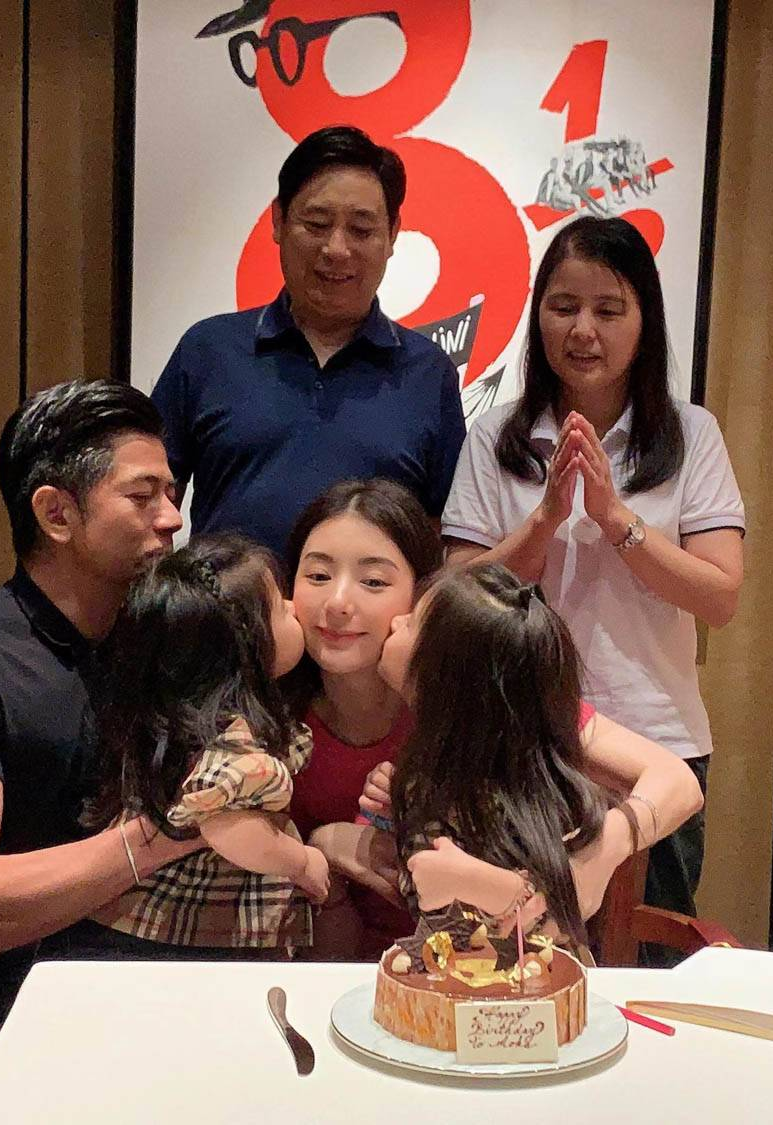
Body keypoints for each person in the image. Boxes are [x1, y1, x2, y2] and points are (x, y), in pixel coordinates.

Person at [439, 216, 744, 955]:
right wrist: (545, 520)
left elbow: (720, 596)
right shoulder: (496, 436)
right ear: (538, 314)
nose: (583, 330)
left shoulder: (691, 435)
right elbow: (455, 598)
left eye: (609, 309)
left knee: (646, 959)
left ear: (645, 322)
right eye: (563, 306)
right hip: (521, 742)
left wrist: (614, 519)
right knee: (512, 955)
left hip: (656, 747)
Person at [0, 380, 196, 1122]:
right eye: (142, 495)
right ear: (56, 513)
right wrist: (171, 831)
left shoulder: (168, 645)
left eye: (171, 493)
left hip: (153, 1015)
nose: (172, 517)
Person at [151, 125, 466, 557]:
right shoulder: (207, 350)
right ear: (278, 221)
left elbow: (444, 534)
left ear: (393, 234)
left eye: (361, 230)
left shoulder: (429, 374)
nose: (336, 249)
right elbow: (148, 499)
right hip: (223, 601)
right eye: (317, 224)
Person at [365, 564, 704, 946]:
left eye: (411, 622)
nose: (395, 621)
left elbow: (679, 781)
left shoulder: (520, 741)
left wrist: (599, 851)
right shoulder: (433, 758)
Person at [55, 535, 328, 959]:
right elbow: (228, 827)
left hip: (142, 927)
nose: (295, 609)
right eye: (279, 607)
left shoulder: (173, 717)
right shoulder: (236, 743)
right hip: (184, 939)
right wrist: (301, 862)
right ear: (248, 649)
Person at [283, 479, 442, 957]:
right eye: (318, 576)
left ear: (422, 597)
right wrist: (321, 849)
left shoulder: (460, 704)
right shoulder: (268, 721)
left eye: (373, 582)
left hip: (462, 970)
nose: (337, 603)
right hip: (317, 973)